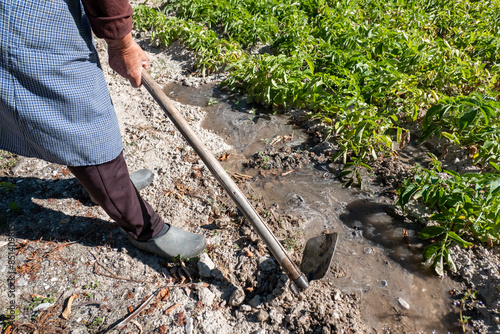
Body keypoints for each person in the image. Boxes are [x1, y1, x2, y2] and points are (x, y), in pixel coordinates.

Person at [0, 0, 206, 259]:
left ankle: (109, 187)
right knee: (83, 120)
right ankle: (144, 229)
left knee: (74, 113)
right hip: (22, 20)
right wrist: (123, 43)